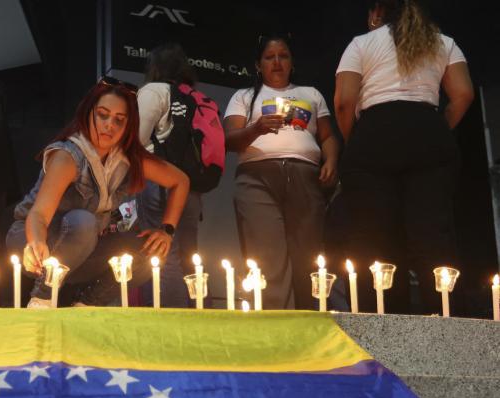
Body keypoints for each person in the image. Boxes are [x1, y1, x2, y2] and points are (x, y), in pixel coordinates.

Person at [335, 0, 473, 315]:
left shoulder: (361, 43)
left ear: (376, 13)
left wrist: (358, 141)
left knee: (374, 238)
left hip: (374, 135)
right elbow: (463, 93)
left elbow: (344, 102)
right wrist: (438, 128)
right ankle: (447, 323)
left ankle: (382, 324)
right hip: (428, 132)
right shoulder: (443, 42)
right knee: (432, 235)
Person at [6, 77, 190, 308]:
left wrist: (167, 231)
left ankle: (86, 304)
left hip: (84, 249)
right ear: (88, 114)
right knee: (83, 221)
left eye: (119, 120)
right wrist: (35, 243)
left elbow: (180, 181)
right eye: (103, 115)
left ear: (128, 125)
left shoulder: (128, 158)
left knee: (149, 250)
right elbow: (38, 215)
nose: (109, 125)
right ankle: (42, 298)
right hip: (35, 242)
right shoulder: (69, 155)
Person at [223, 34, 339, 310]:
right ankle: (276, 325)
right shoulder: (244, 96)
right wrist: (256, 128)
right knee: (267, 257)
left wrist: (332, 161)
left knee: (307, 257)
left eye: (283, 56)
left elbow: (327, 136)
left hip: (306, 177)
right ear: (258, 65)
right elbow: (228, 140)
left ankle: (306, 324)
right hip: (257, 178)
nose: (277, 62)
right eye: (269, 57)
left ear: (292, 62)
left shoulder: (311, 94)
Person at [137, 43, 201, 308]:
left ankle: (168, 322)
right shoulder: (193, 98)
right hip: (190, 188)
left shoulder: (153, 91)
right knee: (187, 259)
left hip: (160, 182)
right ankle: (194, 320)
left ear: (153, 67)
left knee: (163, 258)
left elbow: (136, 141)